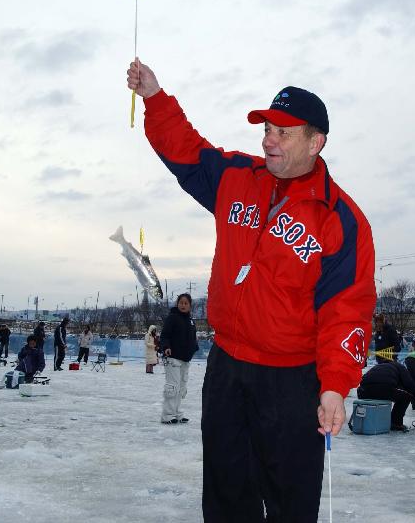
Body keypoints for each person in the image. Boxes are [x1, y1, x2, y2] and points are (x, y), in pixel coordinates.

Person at [128, 59, 376, 522]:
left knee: (290, 499)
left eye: (283, 132)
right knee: (225, 493)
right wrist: (156, 97)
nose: (268, 139)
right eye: (266, 129)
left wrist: (335, 386)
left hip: (291, 381)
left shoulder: (341, 219)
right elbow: (186, 151)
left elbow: (348, 311)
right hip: (227, 369)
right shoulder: (237, 178)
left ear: (315, 141)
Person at [159, 294, 198, 423]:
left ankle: (176, 412)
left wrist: (193, 349)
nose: (183, 305)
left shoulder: (191, 321)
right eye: (181, 302)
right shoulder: (172, 318)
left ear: (190, 306)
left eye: (186, 303)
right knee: (173, 387)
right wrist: (166, 347)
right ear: (177, 304)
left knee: (181, 388)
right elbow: (164, 335)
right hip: (173, 358)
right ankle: (168, 415)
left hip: (185, 359)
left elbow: (193, 338)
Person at [357, 360, 415, 431]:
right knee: (406, 397)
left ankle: (363, 420)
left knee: (378, 393)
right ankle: (396, 423)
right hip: (384, 389)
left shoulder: (377, 367)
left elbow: (363, 380)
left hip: (364, 391)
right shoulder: (399, 366)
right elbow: (409, 383)